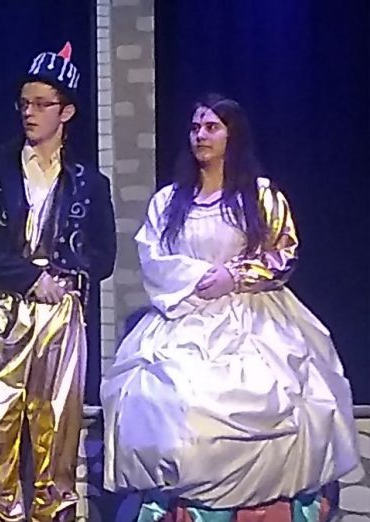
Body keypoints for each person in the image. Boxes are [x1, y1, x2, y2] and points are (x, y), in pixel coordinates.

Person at [101, 94, 359, 521]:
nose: (200, 135)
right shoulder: (169, 202)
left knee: (277, 396)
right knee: (170, 399)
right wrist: (196, 278)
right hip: (186, 313)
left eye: (211, 127)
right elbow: (153, 255)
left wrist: (236, 276)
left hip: (252, 315)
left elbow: (284, 253)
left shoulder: (258, 196)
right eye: (195, 128)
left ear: (231, 135)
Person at [0, 42, 117, 521]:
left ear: (65, 112)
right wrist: (31, 278)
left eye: (41, 104)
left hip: (61, 316)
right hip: (6, 312)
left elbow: (104, 254)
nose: (29, 113)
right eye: (24, 104)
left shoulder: (89, 183)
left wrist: (66, 275)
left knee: (56, 432)